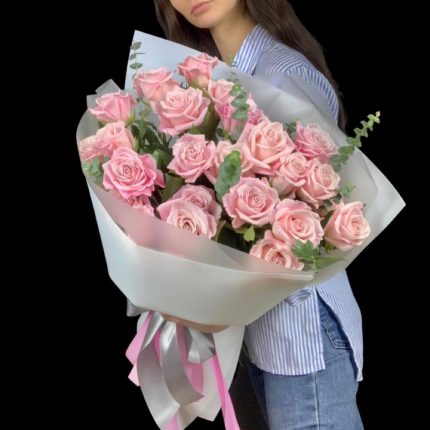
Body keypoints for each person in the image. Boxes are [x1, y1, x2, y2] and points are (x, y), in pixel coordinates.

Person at [154, 1, 363, 429]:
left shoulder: (283, 73)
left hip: (302, 331)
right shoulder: (211, 76)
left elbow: (315, 219)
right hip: (260, 336)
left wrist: (210, 301)